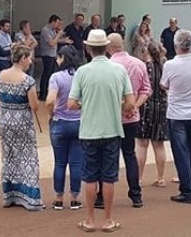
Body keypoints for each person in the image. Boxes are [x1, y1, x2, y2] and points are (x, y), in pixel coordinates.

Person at [68, 29, 135, 233]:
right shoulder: (119, 70)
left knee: (89, 177)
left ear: (88, 48)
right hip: (112, 130)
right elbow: (130, 102)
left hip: (89, 131)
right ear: (106, 48)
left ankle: (89, 220)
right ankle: (107, 220)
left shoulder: (82, 71)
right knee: (108, 177)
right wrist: (117, 106)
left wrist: (85, 105)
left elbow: (71, 104)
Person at [100, 33, 151, 209]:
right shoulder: (139, 63)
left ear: (108, 47)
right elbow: (146, 89)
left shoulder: (108, 66)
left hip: (111, 117)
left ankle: (102, 196)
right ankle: (136, 194)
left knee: (108, 156)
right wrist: (135, 105)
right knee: (129, 154)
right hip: (132, 117)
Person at [0, 44, 43, 211]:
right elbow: (35, 105)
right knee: (28, 157)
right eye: (28, 58)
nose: (30, 61)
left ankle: (10, 195)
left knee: (9, 157)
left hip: (5, 120)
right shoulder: (27, 80)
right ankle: (30, 198)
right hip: (22, 121)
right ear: (22, 58)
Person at [160, 30, 191, 204]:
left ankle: (187, 191)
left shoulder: (170, 65)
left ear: (176, 45)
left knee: (182, 154)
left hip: (177, 114)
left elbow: (164, 85)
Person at [45, 45, 83, 211]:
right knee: (76, 163)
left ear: (63, 58)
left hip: (60, 121)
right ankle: (75, 197)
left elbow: (50, 100)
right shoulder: (81, 75)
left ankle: (58, 198)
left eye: (59, 57)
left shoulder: (56, 77)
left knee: (60, 162)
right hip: (78, 122)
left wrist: (50, 114)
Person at [136, 41, 169, 188]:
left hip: (145, 107)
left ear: (146, 52)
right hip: (161, 106)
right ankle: (161, 177)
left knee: (142, 144)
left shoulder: (143, 67)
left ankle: (139, 178)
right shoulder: (163, 67)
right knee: (159, 144)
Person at [39, 15, 71, 100]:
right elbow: (52, 43)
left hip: (53, 54)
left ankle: (49, 92)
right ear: (53, 22)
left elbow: (56, 41)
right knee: (46, 74)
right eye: (57, 23)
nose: (58, 25)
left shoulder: (53, 30)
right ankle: (43, 94)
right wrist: (59, 34)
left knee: (51, 74)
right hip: (47, 55)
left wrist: (64, 40)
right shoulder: (45, 30)